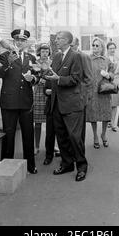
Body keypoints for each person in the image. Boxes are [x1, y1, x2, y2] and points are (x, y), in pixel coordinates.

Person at [45, 31, 88, 182]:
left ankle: (81, 167)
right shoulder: (56, 56)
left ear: (68, 41)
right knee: (61, 137)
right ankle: (67, 163)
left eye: (59, 38)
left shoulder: (76, 56)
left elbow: (76, 79)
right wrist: (45, 72)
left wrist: (59, 79)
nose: (56, 40)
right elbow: (53, 75)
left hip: (72, 104)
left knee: (75, 137)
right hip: (56, 103)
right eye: (56, 38)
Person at [0, 28, 39, 174]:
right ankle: (5, 166)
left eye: (23, 40)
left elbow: (37, 76)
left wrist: (33, 79)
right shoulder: (4, 56)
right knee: (9, 135)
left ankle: (30, 165)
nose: (20, 42)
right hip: (9, 102)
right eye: (18, 39)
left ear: (26, 42)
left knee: (28, 134)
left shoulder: (31, 58)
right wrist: (8, 63)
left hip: (26, 101)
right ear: (13, 40)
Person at [86, 37, 113, 149]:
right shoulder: (88, 59)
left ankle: (103, 134)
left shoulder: (107, 60)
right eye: (93, 45)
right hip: (92, 90)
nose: (95, 47)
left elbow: (113, 74)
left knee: (106, 114)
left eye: (97, 45)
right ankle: (95, 136)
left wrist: (108, 75)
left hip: (104, 90)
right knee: (93, 115)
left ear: (102, 47)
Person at [70, 36, 94, 144]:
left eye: (72, 46)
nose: (70, 48)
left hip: (79, 98)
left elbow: (89, 78)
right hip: (66, 99)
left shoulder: (83, 57)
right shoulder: (64, 56)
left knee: (79, 130)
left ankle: (79, 153)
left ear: (77, 45)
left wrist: (84, 95)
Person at [33, 43, 52, 156]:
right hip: (39, 93)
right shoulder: (35, 63)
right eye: (43, 51)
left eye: (46, 51)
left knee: (51, 123)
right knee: (38, 123)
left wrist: (49, 81)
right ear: (39, 52)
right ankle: (36, 146)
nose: (45, 53)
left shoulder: (52, 62)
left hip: (49, 93)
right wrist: (38, 80)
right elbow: (32, 78)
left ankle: (51, 145)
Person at [106, 41, 119, 132]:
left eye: (113, 48)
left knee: (115, 104)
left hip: (115, 83)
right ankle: (108, 121)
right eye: (110, 48)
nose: (112, 50)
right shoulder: (105, 59)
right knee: (108, 104)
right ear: (107, 49)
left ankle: (114, 123)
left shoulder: (118, 59)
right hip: (107, 83)